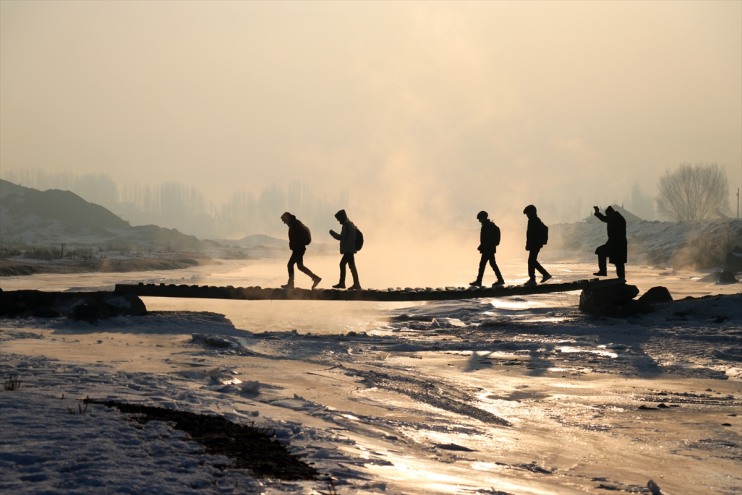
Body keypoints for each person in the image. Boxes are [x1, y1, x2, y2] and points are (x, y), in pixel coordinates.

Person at [280, 212, 321, 289]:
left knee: (290, 265)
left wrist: (295, 245)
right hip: (299, 248)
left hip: (298, 249)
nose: (284, 222)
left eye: (284, 220)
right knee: (300, 266)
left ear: (287, 218)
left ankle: (291, 284)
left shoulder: (295, 224)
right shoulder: (295, 223)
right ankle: (315, 278)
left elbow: (296, 238)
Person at [470, 211, 505, 287]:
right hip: (489, 248)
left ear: (483, 218)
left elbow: (486, 239)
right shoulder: (488, 225)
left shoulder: (486, 226)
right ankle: (500, 279)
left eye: (479, 219)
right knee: (491, 264)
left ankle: (480, 281)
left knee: (483, 264)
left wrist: (483, 246)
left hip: (488, 249)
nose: (479, 221)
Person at [329, 209, 361, 290]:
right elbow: (344, 238)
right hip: (350, 249)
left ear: (342, 217)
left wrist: (333, 234)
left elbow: (343, 238)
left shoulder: (347, 225)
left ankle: (343, 283)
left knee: (342, 264)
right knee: (351, 266)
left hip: (349, 250)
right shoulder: (350, 225)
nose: (338, 220)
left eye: (338, 219)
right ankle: (356, 284)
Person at [593, 205, 627, 279]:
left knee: (618, 261)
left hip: (618, 245)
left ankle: (620, 278)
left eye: (608, 215)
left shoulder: (618, 219)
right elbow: (605, 219)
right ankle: (620, 278)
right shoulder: (613, 218)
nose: (607, 216)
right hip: (615, 244)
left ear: (611, 213)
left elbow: (606, 219)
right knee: (618, 261)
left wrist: (598, 213)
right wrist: (597, 213)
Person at [523, 204, 551, 287]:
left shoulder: (534, 220)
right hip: (534, 244)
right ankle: (542, 275)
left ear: (531, 213)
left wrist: (540, 241)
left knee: (531, 261)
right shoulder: (533, 220)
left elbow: (544, 229)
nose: (527, 216)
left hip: (535, 244)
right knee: (532, 261)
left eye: (527, 213)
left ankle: (533, 279)